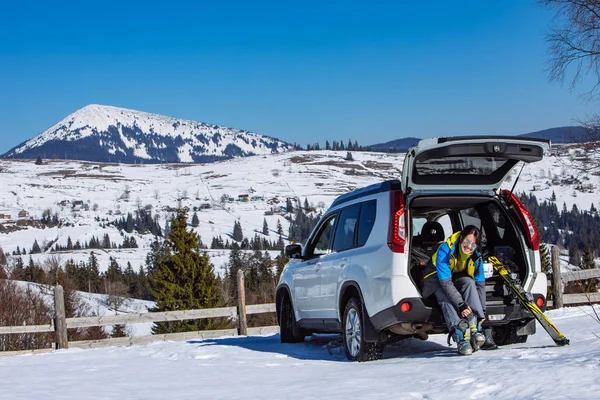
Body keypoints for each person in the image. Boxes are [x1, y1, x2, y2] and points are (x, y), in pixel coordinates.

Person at [422, 225, 497, 355]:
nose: (469, 246)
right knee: (445, 297)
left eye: (473, 244)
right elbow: (446, 284)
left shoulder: (476, 256)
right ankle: (460, 334)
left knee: (468, 282)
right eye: (467, 241)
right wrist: (461, 305)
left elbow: (480, 285)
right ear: (461, 237)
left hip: (454, 277)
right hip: (434, 278)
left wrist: (482, 312)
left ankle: (475, 326)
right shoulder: (445, 250)